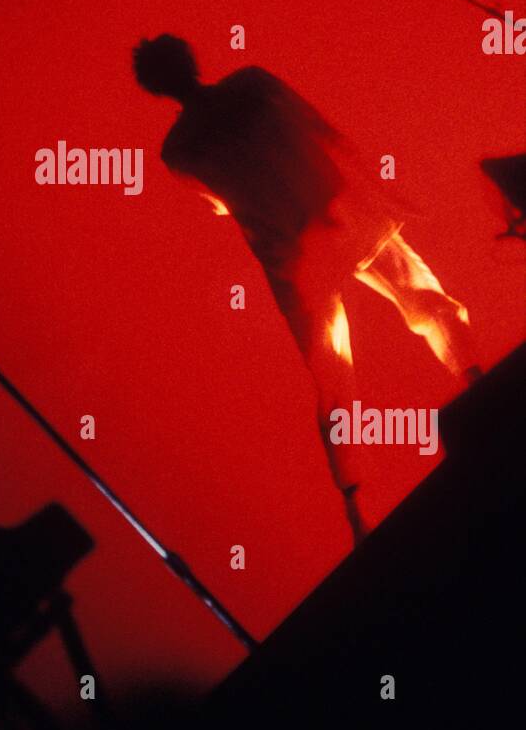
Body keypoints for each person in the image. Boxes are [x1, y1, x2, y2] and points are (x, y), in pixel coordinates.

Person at [132, 34, 480, 546]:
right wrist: (374, 189)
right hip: (334, 224)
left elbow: (224, 200)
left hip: (305, 245)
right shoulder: (239, 96)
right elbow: (324, 131)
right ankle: (470, 392)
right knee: (414, 312)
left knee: (341, 366)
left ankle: (359, 502)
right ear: (187, 62)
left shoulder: (181, 149)